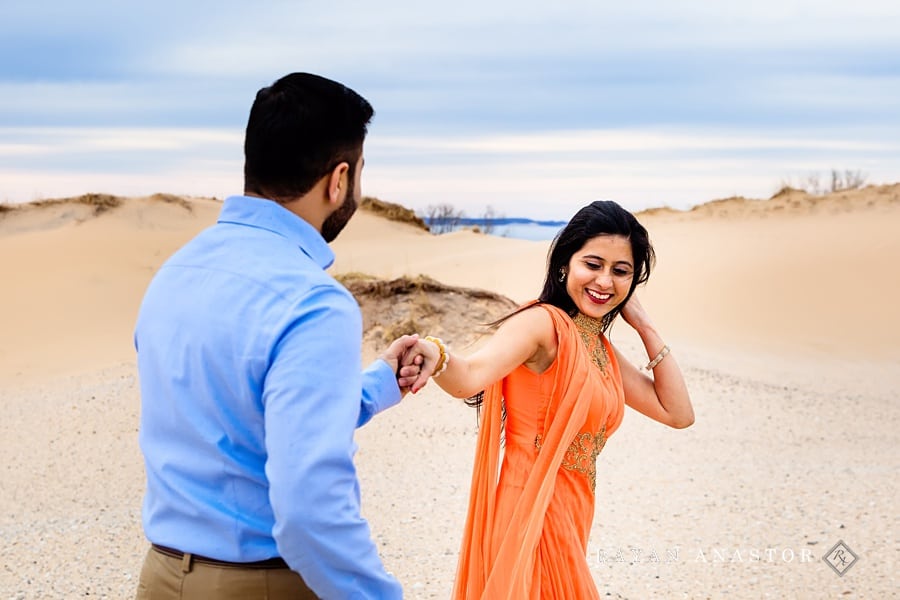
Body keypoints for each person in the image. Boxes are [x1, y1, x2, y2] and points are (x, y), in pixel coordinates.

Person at [133, 72, 426, 599]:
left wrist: (380, 384)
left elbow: (236, 411)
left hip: (160, 577)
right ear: (338, 180)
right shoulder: (313, 302)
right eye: (359, 173)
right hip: (259, 583)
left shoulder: (176, 272)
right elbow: (309, 510)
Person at [408, 200, 695, 599]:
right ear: (565, 264)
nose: (605, 281)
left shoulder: (597, 346)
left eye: (620, 271)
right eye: (592, 264)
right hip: (531, 511)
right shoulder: (542, 325)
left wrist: (645, 324)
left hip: (573, 515)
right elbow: (471, 377)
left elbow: (677, 413)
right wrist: (436, 355)